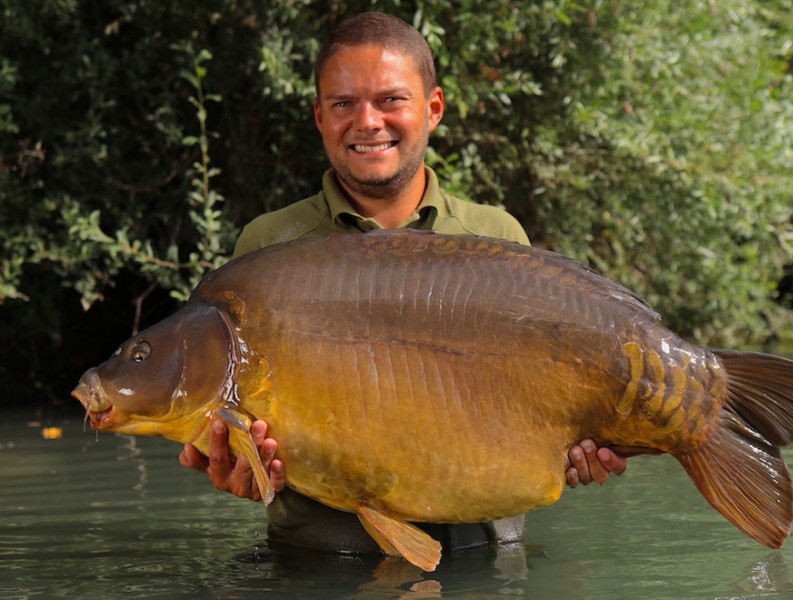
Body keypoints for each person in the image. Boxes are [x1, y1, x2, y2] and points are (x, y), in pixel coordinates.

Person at [179, 11, 627, 555]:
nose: (367, 121)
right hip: (320, 566)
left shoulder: (493, 235)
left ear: (432, 108)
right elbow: (242, 438)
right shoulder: (270, 248)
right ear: (319, 116)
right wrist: (239, 471)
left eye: (391, 100)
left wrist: (579, 446)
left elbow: (539, 406)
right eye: (344, 104)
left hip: (486, 558)